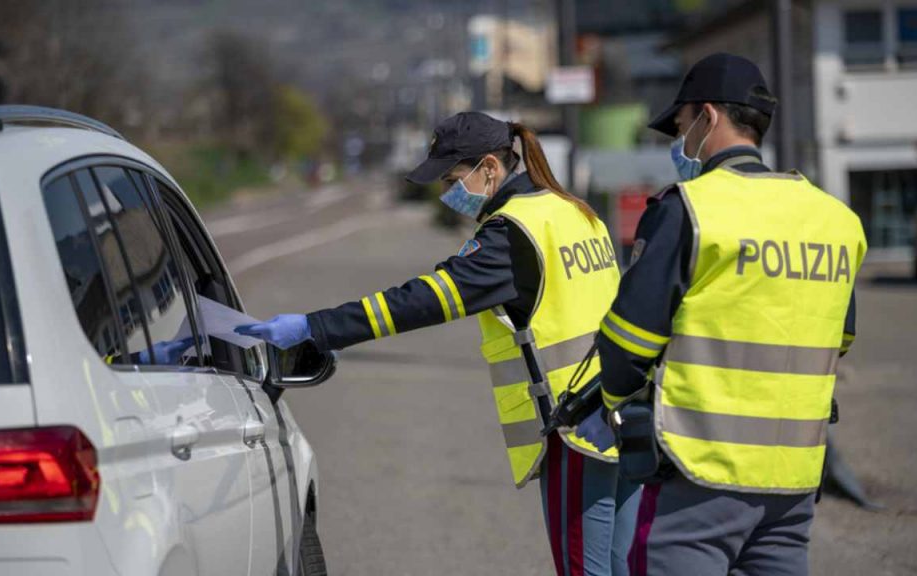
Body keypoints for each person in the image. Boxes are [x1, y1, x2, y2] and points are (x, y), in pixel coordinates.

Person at [237, 112, 642, 576]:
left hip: (576, 431)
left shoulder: (512, 233)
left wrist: (317, 327)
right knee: (620, 565)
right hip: (619, 415)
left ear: (489, 168)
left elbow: (421, 301)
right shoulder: (574, 210)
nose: (449, 193)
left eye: (453, 178)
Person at [583, 53, 866, 575]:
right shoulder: (836, 220)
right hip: (793, 476)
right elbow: (838, 338)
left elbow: (627, 344)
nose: (679, 138)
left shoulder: (687, 209)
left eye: (681, 124)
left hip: (698, 473)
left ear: (707, 117)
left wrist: (616, 404)